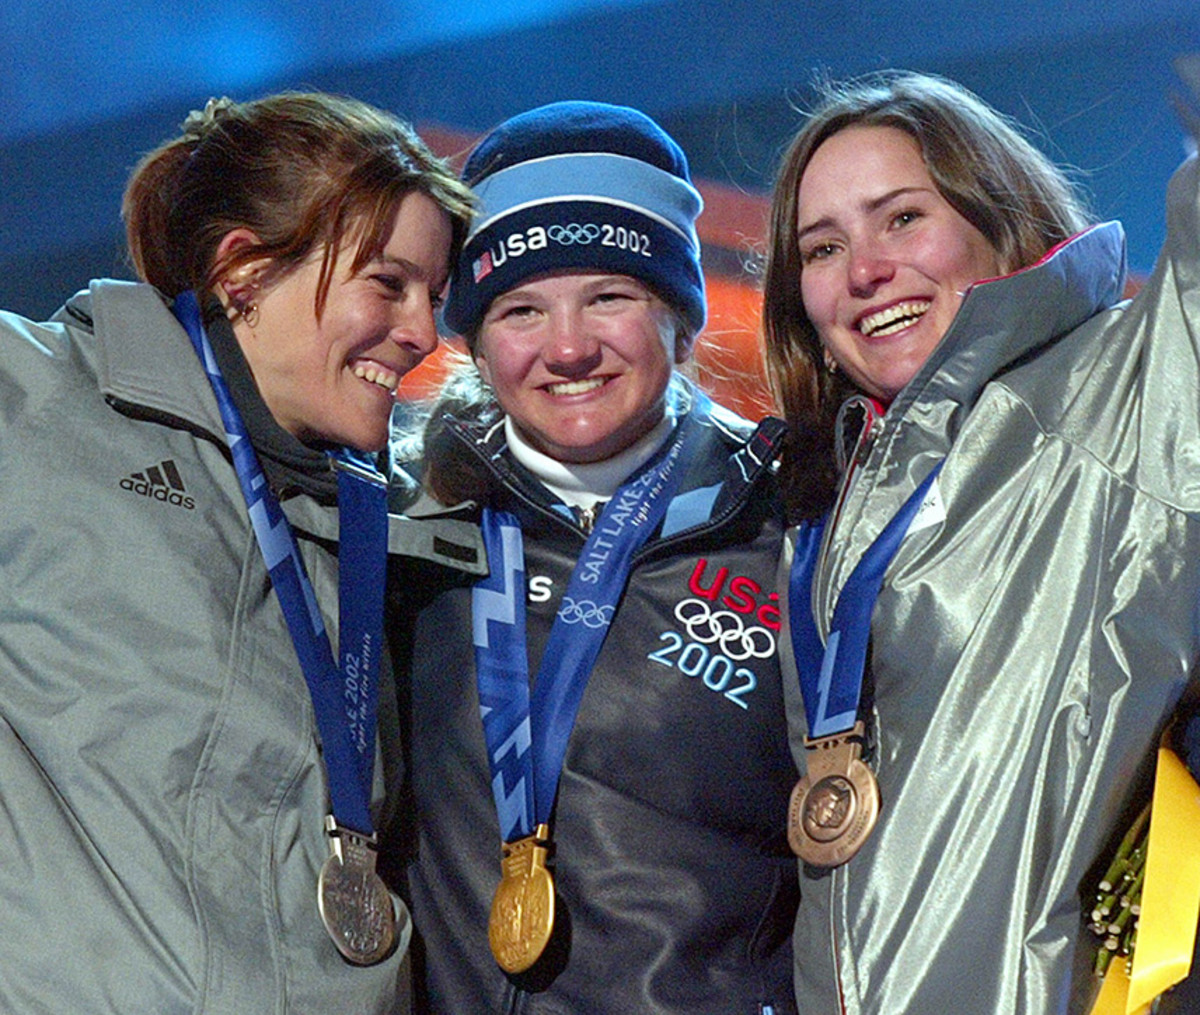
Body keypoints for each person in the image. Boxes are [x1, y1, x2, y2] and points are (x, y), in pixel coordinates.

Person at [0, 92, 473, 1012]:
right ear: (243, 272)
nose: (423, 333)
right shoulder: (36, 402)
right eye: (388, 284)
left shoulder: (383, 530)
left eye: (434, 297)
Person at [761, 71, 1200, 1014]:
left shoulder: (1125, 397)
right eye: (823, 246)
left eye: (902, 218)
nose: (863, 269)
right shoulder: (824, 504)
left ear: (1000, 217)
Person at [385, 101, 800, 1014]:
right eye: (522, 308)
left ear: (682, 322)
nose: (567, 347)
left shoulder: (793, 528)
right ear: (478, 345)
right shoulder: (399, 528)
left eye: (609, 297)